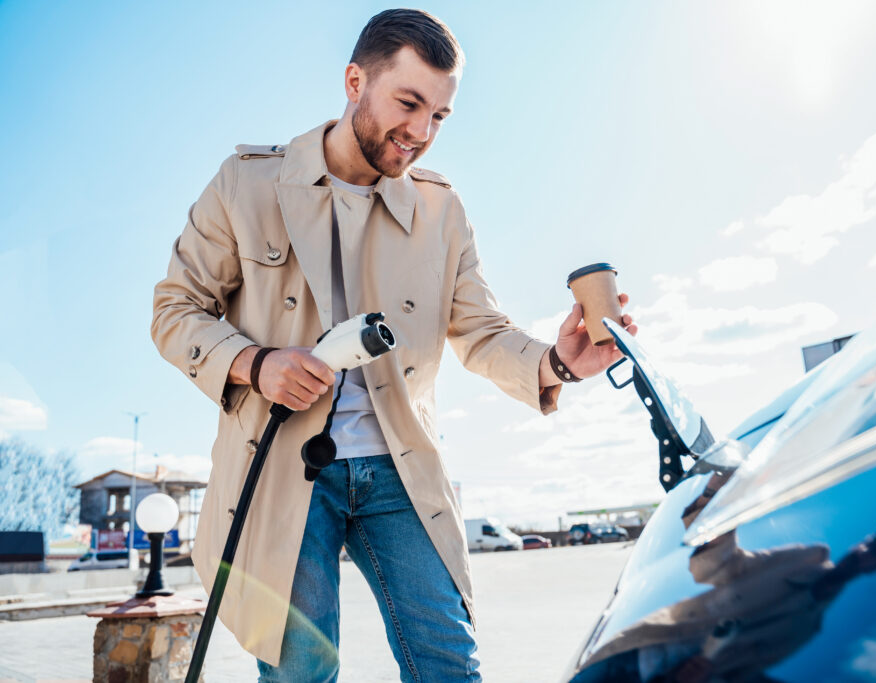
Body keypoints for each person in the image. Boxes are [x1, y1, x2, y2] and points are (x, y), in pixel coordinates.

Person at [151, 8, 637, 682]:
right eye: (409, 103)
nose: (420, 132)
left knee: (449, 666)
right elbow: (176, 309)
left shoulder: (443, 210)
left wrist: (558, 362)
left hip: (400, 472)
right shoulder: (247, 184)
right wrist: (255, 364)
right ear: (355, 81)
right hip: (283, 467)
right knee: (300, 674)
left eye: (440, 116)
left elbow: (481, 330)